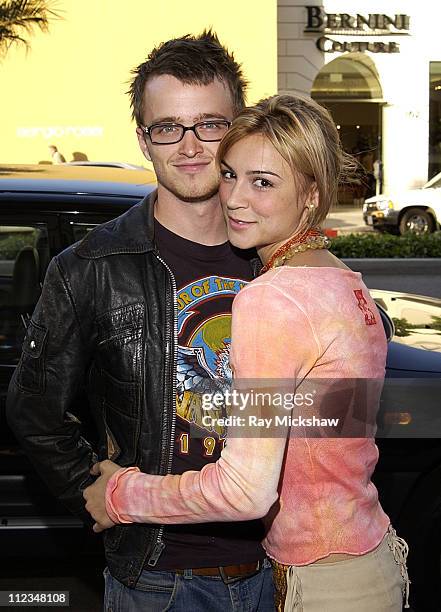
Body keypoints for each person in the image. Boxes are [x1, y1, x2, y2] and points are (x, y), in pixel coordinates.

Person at [84, 94, 411, 611]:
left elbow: (246, 492)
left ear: (311, 194)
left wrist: (123, 495)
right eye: (231, 174)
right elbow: (327, 427)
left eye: (263, 182)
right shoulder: (344, 284)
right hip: (365, 562)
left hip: (321, 583)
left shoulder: (273, 297)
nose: (234, 197)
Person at [7, 31, 275, 612]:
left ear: (240, 129)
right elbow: (32, 405)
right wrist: (90, 486)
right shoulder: (89, 268)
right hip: (158, 579)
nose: (190, 145)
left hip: (279, 566)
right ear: (144, 139)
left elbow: (332, 407)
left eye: (210, 123)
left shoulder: (280, 260)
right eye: (167, 128)